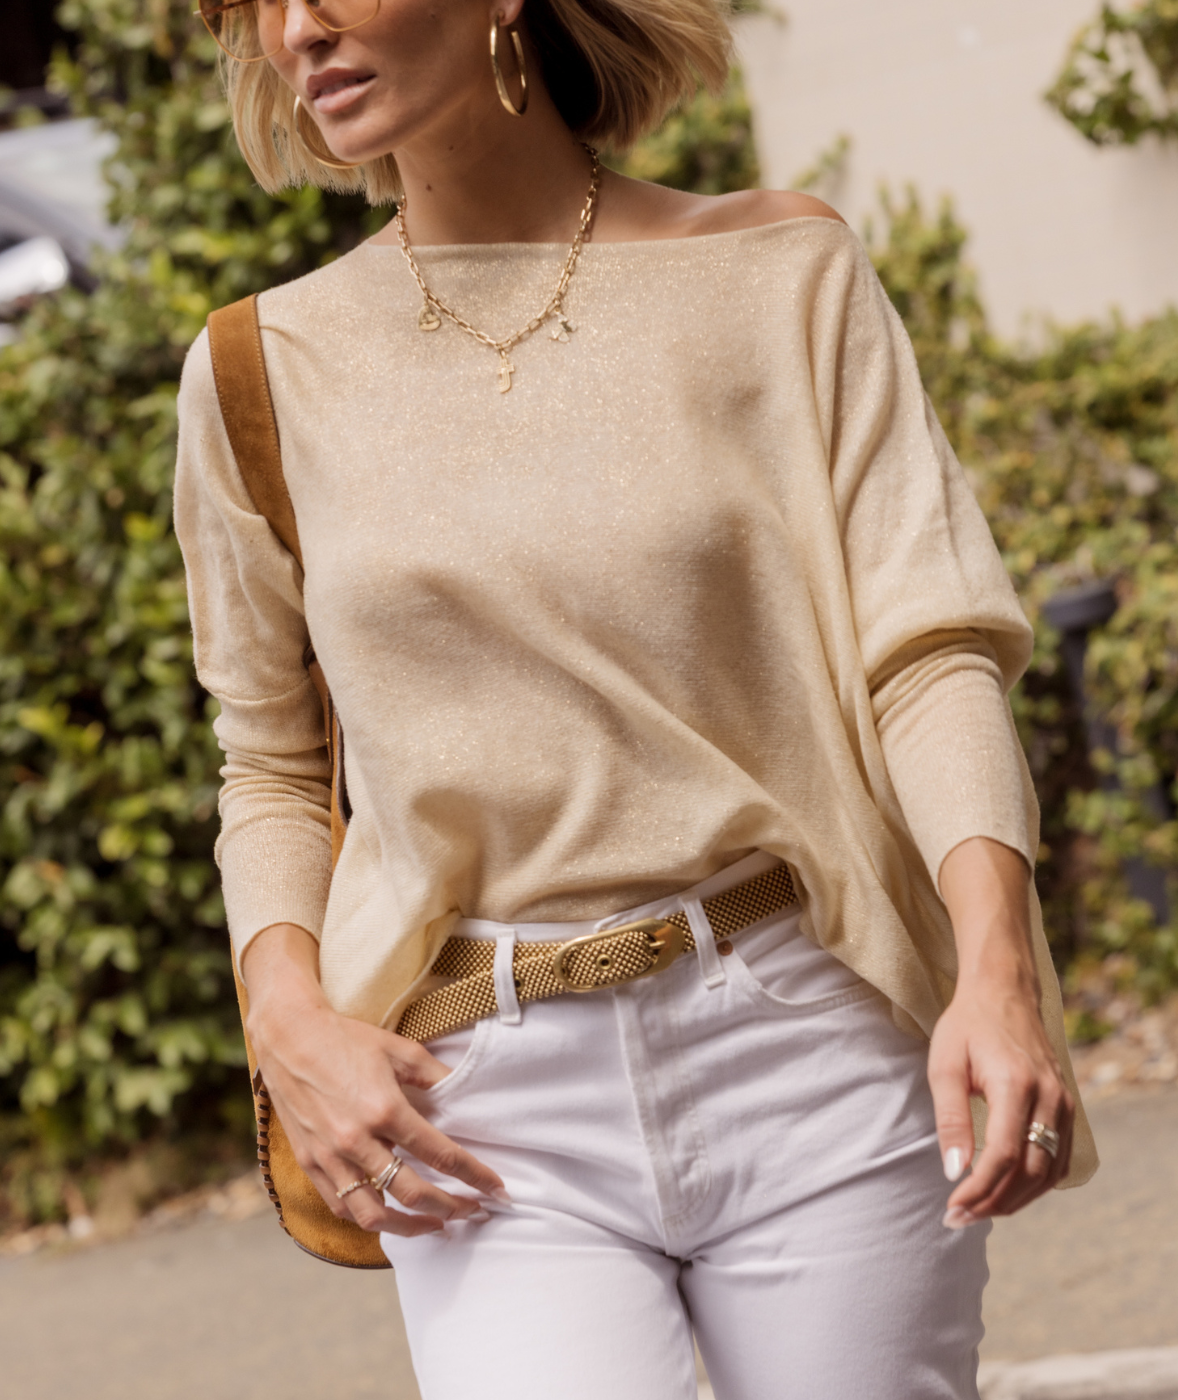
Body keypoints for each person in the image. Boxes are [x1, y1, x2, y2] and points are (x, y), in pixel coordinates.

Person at [175, 0, 1097, 1396]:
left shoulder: (780, 272)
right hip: (481, 1107)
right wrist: (286, 1022)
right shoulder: (260, 369)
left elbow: (927, 652)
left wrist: (996, 969)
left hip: (806, 1034)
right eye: (259, 0)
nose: (299, 29)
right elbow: (269, 760)